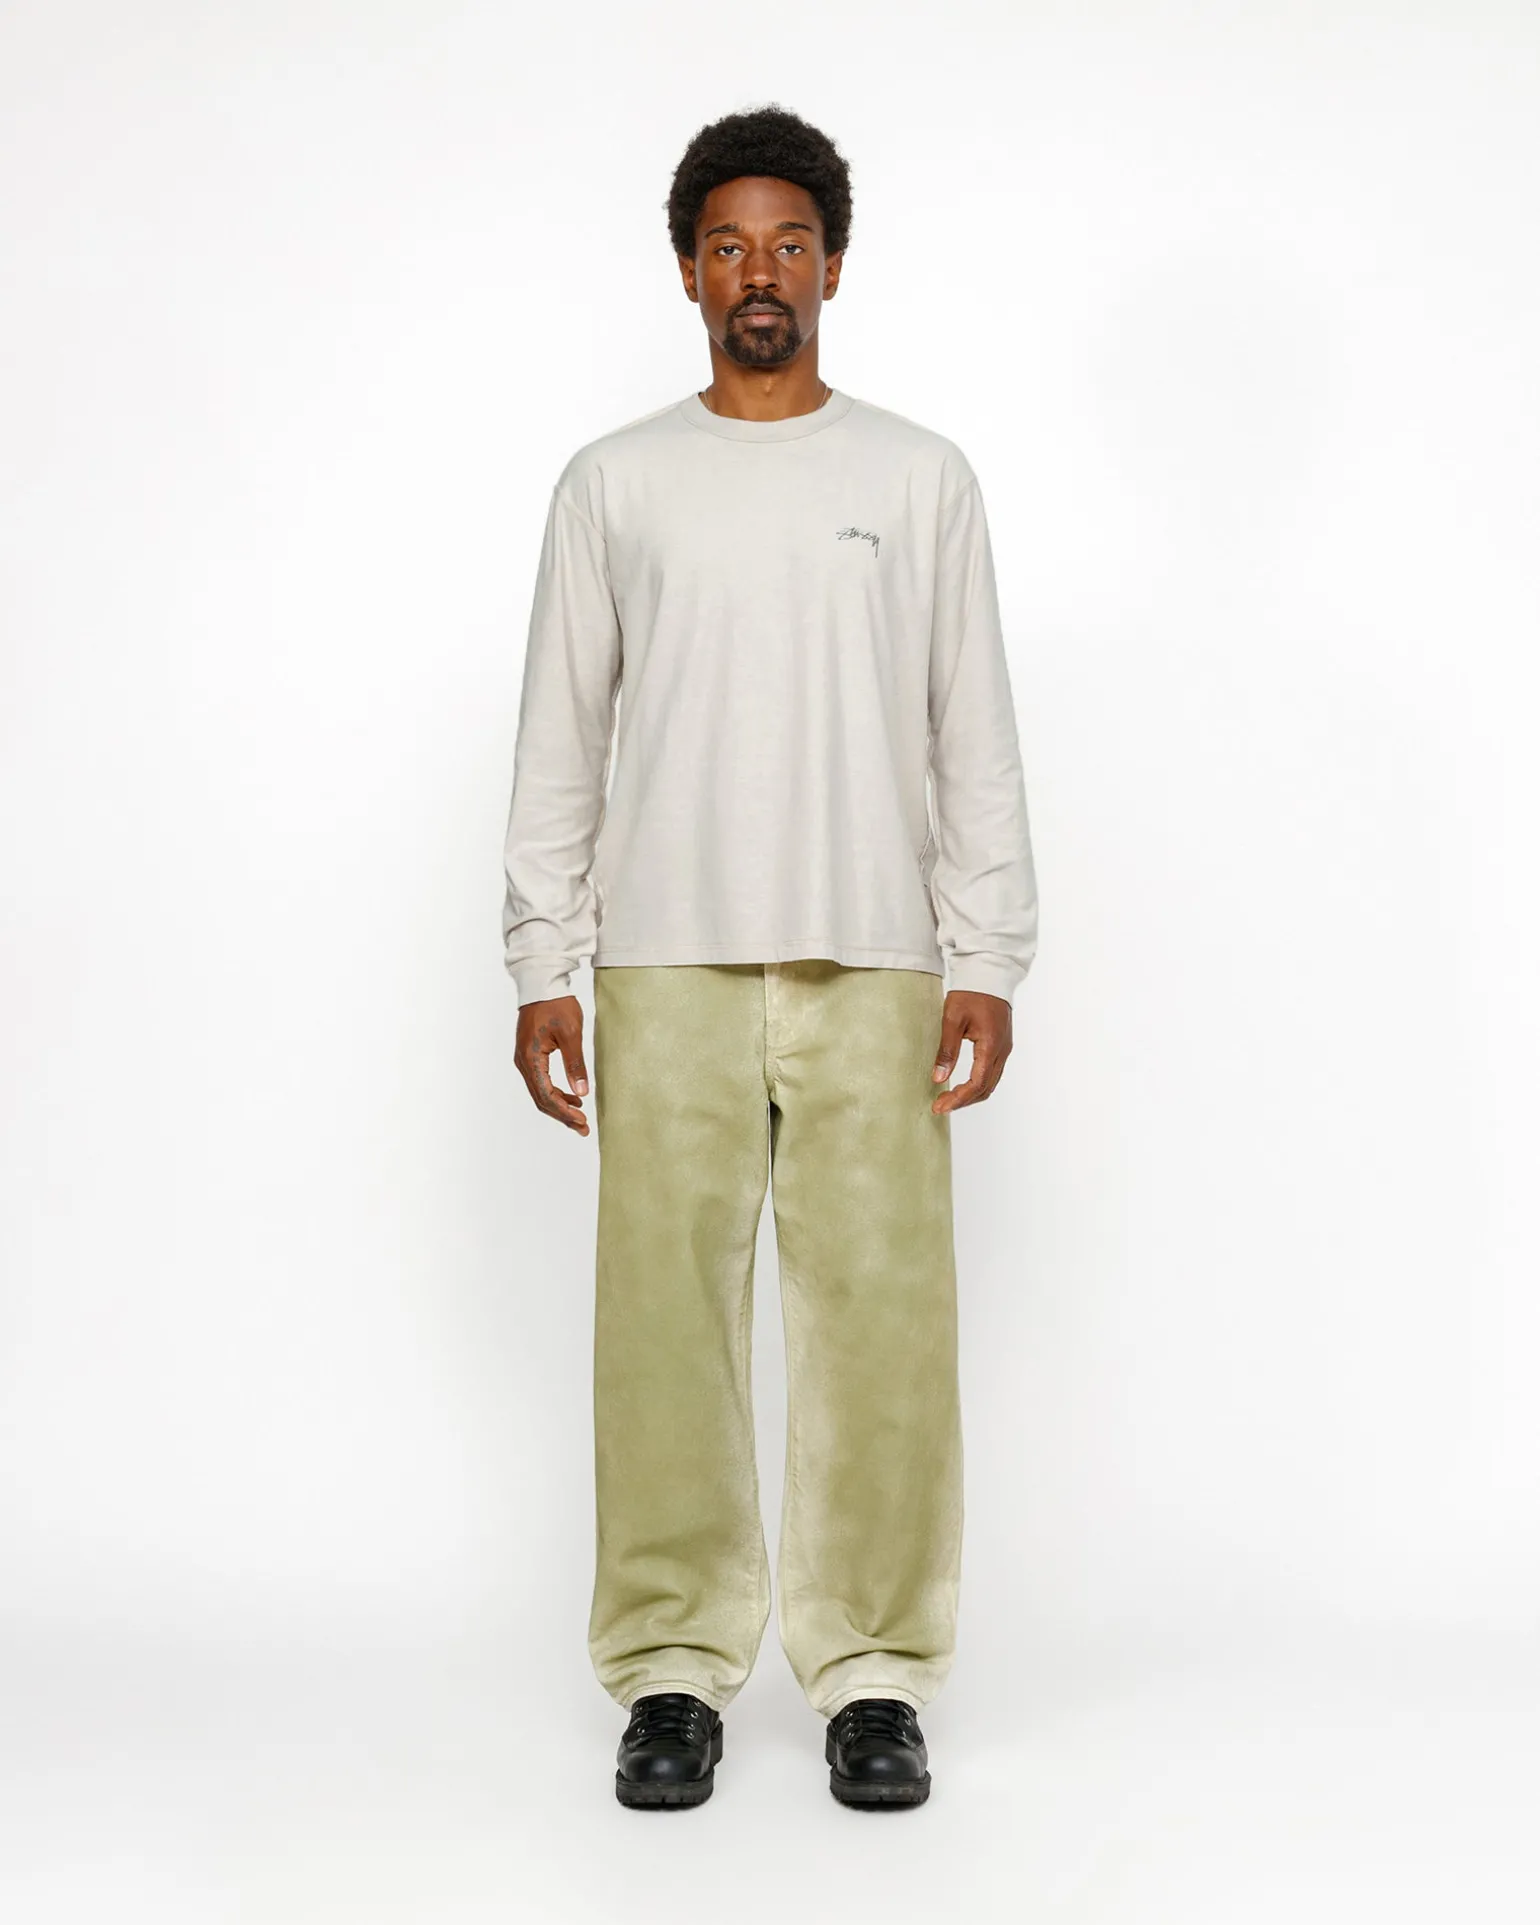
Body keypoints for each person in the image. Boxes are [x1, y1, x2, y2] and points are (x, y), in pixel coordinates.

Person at [501, 103, 1038, 1811]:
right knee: (663, 1326)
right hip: (664, 959)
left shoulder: (919, 479)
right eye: (729, 245)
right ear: (686, 271)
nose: (760, 272)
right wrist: (541, 962)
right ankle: (671, 1667)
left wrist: (988, 951)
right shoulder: (614, 484)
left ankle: (874, 1672)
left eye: (789, 244)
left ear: (833, 268)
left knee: (883, 1327)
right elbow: (561, 739)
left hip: (873, 954)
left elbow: (972, 730)